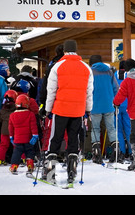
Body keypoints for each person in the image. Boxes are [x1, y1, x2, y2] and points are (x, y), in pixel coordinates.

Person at [43, 40, 94, 184]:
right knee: (73, 141)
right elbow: (89, 92)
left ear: (64, 51)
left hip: (60, 109)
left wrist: (48, 109)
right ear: (76, 50)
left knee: (56, 139)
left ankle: (49, 173)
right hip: (77, 111)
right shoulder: (86, 67)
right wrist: (88, 109)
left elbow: (51, 90)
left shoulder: (57, 66)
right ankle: (72, 172)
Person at [89, 55, 119, 164]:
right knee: (111, 128)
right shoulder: (109, 71)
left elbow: (87, 89)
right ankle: (116, 151)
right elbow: (116, 88)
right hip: (108, 105)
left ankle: (96, 153)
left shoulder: (90, 72)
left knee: (95, 129)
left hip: (94, 105)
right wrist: (115, 101)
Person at [8, 94, 39, 174]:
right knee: (30, 152)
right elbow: (33, 126)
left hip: (17, 139)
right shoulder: (30, 114)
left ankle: (14, 166)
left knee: (17, 153)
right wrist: (35, 135)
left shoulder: (12, 115)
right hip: (29, 139)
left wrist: (11, 137)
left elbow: (10, 128)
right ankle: (30, 165)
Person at [114, 60, 132, 161]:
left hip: (117, 105)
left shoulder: (114, 75)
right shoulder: (129, 76)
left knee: (118, 130)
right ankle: (131, 151)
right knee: (128, 129)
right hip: (128, 106)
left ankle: (121, 151)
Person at [0, 90, 19, 165]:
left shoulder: (2, 110)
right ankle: (19, 159)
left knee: (3, 145)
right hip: (14, 131)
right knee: (17, 145)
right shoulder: (16, 110)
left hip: (4, 131)